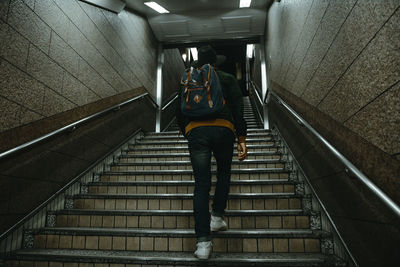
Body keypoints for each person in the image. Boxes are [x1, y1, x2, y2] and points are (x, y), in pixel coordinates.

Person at [176, 45, 247, 259]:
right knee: (224, 171)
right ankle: (216, 216)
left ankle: (203, 244)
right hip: (224, 129)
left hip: (196, 133)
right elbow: (238, 108)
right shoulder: (225, 78)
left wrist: (187, 132)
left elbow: (179, 110)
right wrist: (241, 137)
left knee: (201, 185)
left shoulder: (189, 79)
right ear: (215, 62)